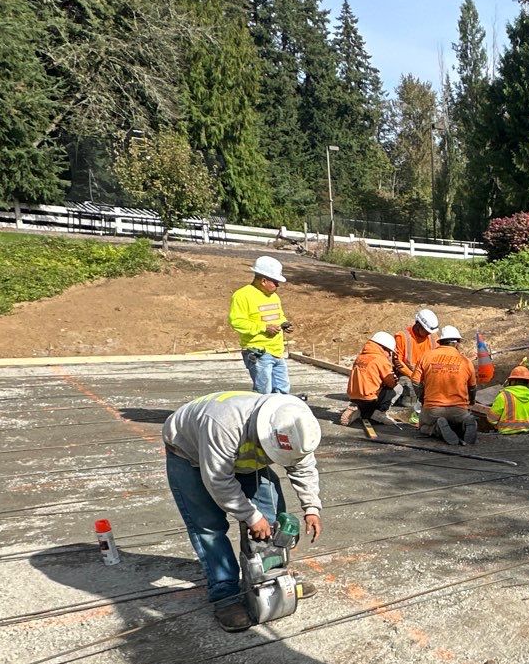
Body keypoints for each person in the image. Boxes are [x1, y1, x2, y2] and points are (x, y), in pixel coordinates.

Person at [162, 390, 322, 632]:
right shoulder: (222, 424)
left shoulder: (294, 423)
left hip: (242, 457)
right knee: (208, 526)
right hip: (190, 454)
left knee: (271, 519)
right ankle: (225, 592)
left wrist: (311, 507)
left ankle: (271, 576)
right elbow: (218, 480)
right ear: (266, 435)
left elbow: (303, 466)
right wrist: (250, 515)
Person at [230, 256, 292, 393]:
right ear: (263, 281)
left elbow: (278, 316)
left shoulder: (274, 296)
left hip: (276, 351)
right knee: (263, 391)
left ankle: (277, 414)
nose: (278, 286)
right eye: (275, 282)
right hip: (258, 352)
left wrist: (284, 323)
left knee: (282, 389)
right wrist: (264, 328)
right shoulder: (242, 295)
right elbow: (237, 322)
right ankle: (260, 414)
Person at [419, 324, 478, 445]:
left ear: (440, 342)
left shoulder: (426, 356)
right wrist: (471, 402)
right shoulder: (466, 361)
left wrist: (422, 398)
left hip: (433, 410)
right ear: (457, 343)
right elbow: (472, 387)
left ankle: (435, 428)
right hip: (459, 410)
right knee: (458, 422)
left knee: (422, 426)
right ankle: (466, 422)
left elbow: (415, 382)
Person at [391, 307, 440, 422]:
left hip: (426, 375)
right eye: (426, 331)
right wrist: (414, 376)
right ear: (418, 325)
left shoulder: (433, 338)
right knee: (410, 390)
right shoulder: (402, 337)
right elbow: (398, 363)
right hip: (406, 375)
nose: (428, 334)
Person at [340, 332, 399, 426]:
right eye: (389, 352)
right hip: (370, 399)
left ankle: (358, 410)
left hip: (354, 397)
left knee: (366, 411)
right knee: (397, 388)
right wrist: (394, 377)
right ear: (383, 348)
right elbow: (391, 383)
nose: (389, 355)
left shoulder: (360, 357)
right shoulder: (381, 360)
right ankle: (379, 413)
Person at [483, 362, 529, 435]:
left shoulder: (503, 396)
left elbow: (492, 419)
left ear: (512, 381)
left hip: (506, 433)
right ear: (528, 382)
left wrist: (496, 425)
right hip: (527, 434)